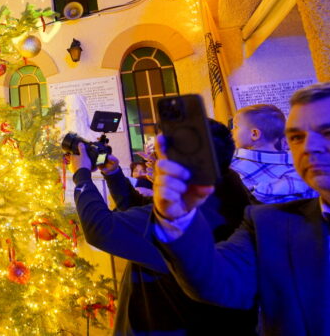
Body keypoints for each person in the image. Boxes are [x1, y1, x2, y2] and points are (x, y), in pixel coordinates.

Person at [152, 82, 330, 335]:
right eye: (297, 137)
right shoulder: (269, 223)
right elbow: (215, 281)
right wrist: (177, 217)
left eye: (328, 132)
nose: (308, 148)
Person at [70, 119, 255, 335]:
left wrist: (81, 175)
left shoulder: (182, 215)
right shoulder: (224, 191)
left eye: (158, 156)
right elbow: (140, 211)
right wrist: (114, 175)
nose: (150, 162)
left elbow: (100, 229)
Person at [230, 103, 316, 203]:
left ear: (254, 134)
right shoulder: (301, 164)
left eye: (235, 127)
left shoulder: (233, 165)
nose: (232, 131)